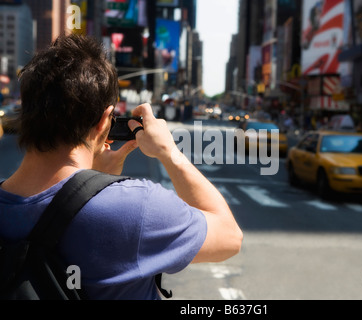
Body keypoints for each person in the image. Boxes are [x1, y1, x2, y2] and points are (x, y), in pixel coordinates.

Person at [0, 34, 243, 300]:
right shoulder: (136, 206)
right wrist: (169, 152)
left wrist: (93, 182)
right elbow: (230, 237)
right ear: (105, 121)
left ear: (25, 109)